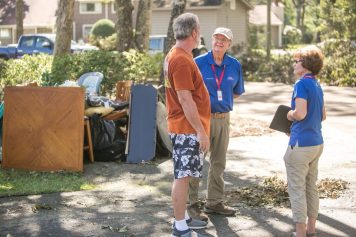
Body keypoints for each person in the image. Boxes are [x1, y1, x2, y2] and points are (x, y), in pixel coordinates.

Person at [188, 27, 245, 221]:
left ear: (229, 44)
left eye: (224, 39)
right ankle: (191, 205)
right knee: (195, 162)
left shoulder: (234, 65)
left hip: (223, 118)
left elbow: (236, 91)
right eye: (217, 38)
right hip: (201, 119)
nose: (219, 42)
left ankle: (214, 203)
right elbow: (187, 92)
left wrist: (221, 102)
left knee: (219, 163)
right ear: (212, 40)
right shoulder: (198, 63)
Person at [164, 13, 211, 237]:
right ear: (193, 32)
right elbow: (185, 98)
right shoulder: (181, 59)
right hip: (187, 128)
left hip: (184, 126)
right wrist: (200, 132)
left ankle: (183, 218)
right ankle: (179, 225)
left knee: (185, 174)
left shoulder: (178, 55)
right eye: (199, 29)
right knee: (183, 176)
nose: (200, 33)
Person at [284, 45, 326, 237]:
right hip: (317, 143)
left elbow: (300, 113)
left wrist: (289, 115)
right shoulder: (317, 85)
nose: (294, 64)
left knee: (297, 190)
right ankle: (311, 230)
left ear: (306, 64)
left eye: (297, 60)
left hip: (300, 146)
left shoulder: (301, 84)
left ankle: (300, 234)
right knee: (311, 187)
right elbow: (323, 116)